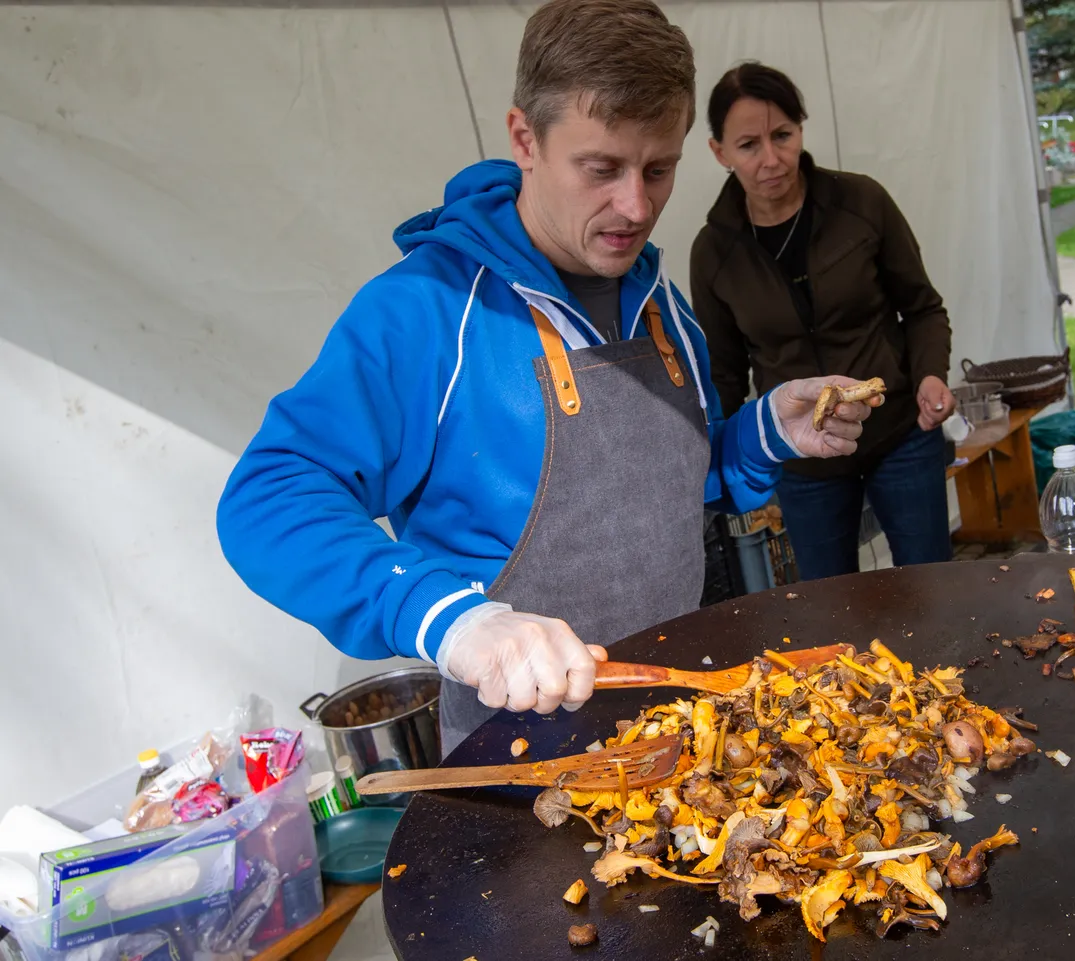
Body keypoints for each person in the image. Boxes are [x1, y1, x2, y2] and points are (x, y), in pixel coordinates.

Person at [215, 0, 881, 754]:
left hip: (682, 729)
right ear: (525, 139)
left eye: (658, 170)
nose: (636, 206)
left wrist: (764, 433)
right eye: (601, 169)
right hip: (520, 765)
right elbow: (267, 497)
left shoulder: (662, 304)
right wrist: (453, 619)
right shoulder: (427, 311)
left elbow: (673, 488)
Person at [689, 63, 956, 582]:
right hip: (804, 460)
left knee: (933, 590)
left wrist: (929, 374)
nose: (771, 159)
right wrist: (712, 458)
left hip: (898, 433)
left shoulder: (862, 203)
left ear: (801, 130)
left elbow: (922, 307)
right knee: (830, 606)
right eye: (748, 145)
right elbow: (723, 373)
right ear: (719, 152)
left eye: (783, 135)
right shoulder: (714, 252)